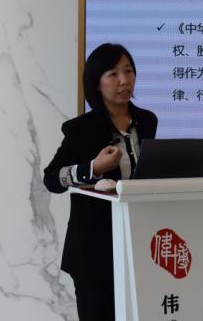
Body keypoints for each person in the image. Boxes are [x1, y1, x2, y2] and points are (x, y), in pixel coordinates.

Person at [43, 43, 157, 321]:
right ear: (96, 82)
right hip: (93, 251)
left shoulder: (147, 121)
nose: (124, 80)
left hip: (139, 246)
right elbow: (51, 178)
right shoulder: (81, 129)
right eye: (113, 74)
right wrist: (93, 168)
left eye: (129, 71)